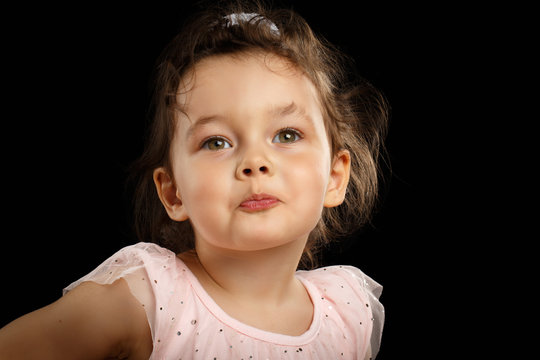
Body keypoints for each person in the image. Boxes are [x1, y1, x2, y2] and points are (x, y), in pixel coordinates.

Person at [0, 1, 388, 358]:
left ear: (335, 176)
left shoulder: (345, 312)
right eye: (216, 142)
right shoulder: (149, 300)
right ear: (173, 193)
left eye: (286, 135)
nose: (254, 162)